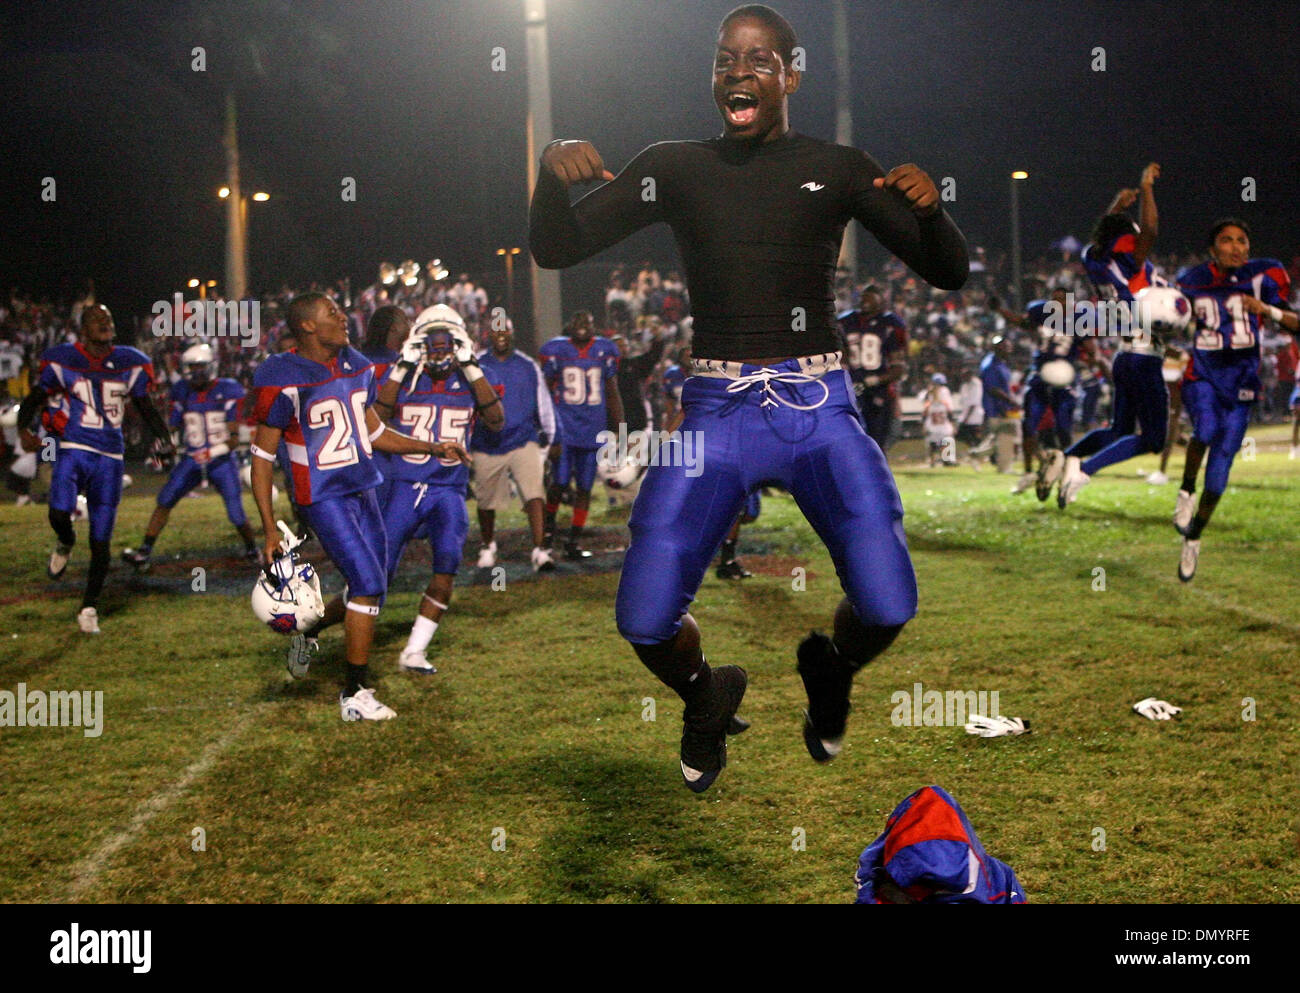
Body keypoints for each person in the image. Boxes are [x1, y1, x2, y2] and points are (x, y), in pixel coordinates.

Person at [530, 3, 967, 791]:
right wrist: (547, 175)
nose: (739, 69)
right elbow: (557, 245)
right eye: (726, 57)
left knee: (888, 601)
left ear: (790, 75)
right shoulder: (675, 163)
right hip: (717, 410)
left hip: (816, 404)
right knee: (641, 616)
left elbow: (948, 270)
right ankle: (707, 691)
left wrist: (934, 214)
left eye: (760, 58)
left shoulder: (836, 165)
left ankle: (830, 668)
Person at [249, 292, 468, 721]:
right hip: (322, 494)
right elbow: (261, 459)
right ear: (308, 326)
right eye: (331, 312)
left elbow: (373, 431)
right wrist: (269, 528)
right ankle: (355, 692)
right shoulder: (282, 375)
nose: (343, 317)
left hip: (364, 486)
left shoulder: (355, 363)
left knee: (375, 586)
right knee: (367, 582)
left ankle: (309, 630)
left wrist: (431, 446)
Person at [15, 304, 175, 633]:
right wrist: (23, 429)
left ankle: (89, 606)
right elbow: (35, 397)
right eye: (96, 319)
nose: (105, 322)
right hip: (75, 449)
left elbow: (145, 406)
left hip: (111, 458)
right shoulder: (63, 359)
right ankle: (64, 541)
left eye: (109, 318)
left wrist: (164, 437)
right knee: (58, 514)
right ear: (82, 329)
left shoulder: (131, 361)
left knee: (101, 540)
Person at [378, 306, 504, 673]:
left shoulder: (475, 377)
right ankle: (321, 622)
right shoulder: (402, 376)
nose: (438, 350)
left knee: (447, 565)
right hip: (404, 486)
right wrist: (402, 367)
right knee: (376, 573)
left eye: (445, 342)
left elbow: (496, 421)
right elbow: (377, 419)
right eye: (431, 342)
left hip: (448, 489)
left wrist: (470, 365)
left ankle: (414, 651)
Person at [1172, 219, 1297, 581]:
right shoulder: (1192, 279)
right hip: (1204, 374)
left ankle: (1194, 537)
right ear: (1213, 249)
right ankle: (1184, 490)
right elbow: (1168, 318)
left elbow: (1294, 323)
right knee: (1205, 428)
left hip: (1242, 382)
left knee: (1219, 480)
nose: (1236, 247)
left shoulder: (1263, 275)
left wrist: (1267, 310)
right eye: (1226, 241)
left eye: (1242, 240)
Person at [1057, 164, 1170, 507]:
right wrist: (1146, 188)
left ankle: (1065, 460)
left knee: (1119, 430)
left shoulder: (1094, 259)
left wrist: (1116, 208)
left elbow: (1100, 235)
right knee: (1152, 439)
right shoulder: (1129, 258)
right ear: (1124, 239)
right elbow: (1149, 230)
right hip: (1143, 355)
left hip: (1124, 355)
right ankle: (1084, 470)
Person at [121, 343, 258, 570]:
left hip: (221, 460)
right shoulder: (181, 391)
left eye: (199, 367)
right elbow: (173, 428)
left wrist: (211, 452)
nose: (195, 373)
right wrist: (166, 445)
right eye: (191, 368)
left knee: (236, 513)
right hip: (192, 459)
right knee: (164, 500)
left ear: (210, 367)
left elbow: (234, 439)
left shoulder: (228, 389)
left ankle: (253, 550)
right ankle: (143, 552)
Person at [471, 315, 559, 572]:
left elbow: (543, 401)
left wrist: (550, 435)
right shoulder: (476, 364)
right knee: (486, 501)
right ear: (489, 335)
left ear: (511, 334)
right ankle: (488, 545)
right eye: (495, 330)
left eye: (504, 330)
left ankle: (540, 549)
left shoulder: (527, 365)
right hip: (486, 441)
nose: (500, 335)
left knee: (535, 494)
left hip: (523, 438)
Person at [539, 310, 625, 560]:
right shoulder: (557, 350)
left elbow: (611, 391)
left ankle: (574, 541)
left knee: (586, 487)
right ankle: (546, 534)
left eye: (586, 322)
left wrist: (620, 426)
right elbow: (544, 390)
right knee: (560, 482)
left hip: (592, 431)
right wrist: (545, 423)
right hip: (565, 429)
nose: (582, 327)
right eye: (577, 322)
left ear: (593, 326)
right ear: (569, 325)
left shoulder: (604, 351)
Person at [837, 285, 908, 451]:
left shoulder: (890, 323)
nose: (865, 301)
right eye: (863, 297)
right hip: (852, 386)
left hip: (879, 389)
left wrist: (875, 380)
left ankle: (877, 468)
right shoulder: (846, 321)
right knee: (851, 435)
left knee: (877, 437)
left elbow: (898, 366)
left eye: (869, 298)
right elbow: (840, 355)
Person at [978, 335, 1019, 474]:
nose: (1007, 348)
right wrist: (1010, 401)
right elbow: (993, 389)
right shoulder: (991, 364)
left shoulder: (1001, 363)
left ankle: (978, 455)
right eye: (1003, 346)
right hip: (995, 407)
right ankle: (1003, 467)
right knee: (1004, 438)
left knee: (1003, 438)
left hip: (1003, 406)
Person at [922, 373, 955, 467]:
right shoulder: (929, 394)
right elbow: (949, 410)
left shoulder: (934, 394)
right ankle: (936, 460)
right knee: (937, 442)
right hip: (936, 422)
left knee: (942, 440)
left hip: (938, 422)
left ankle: (943, 460)